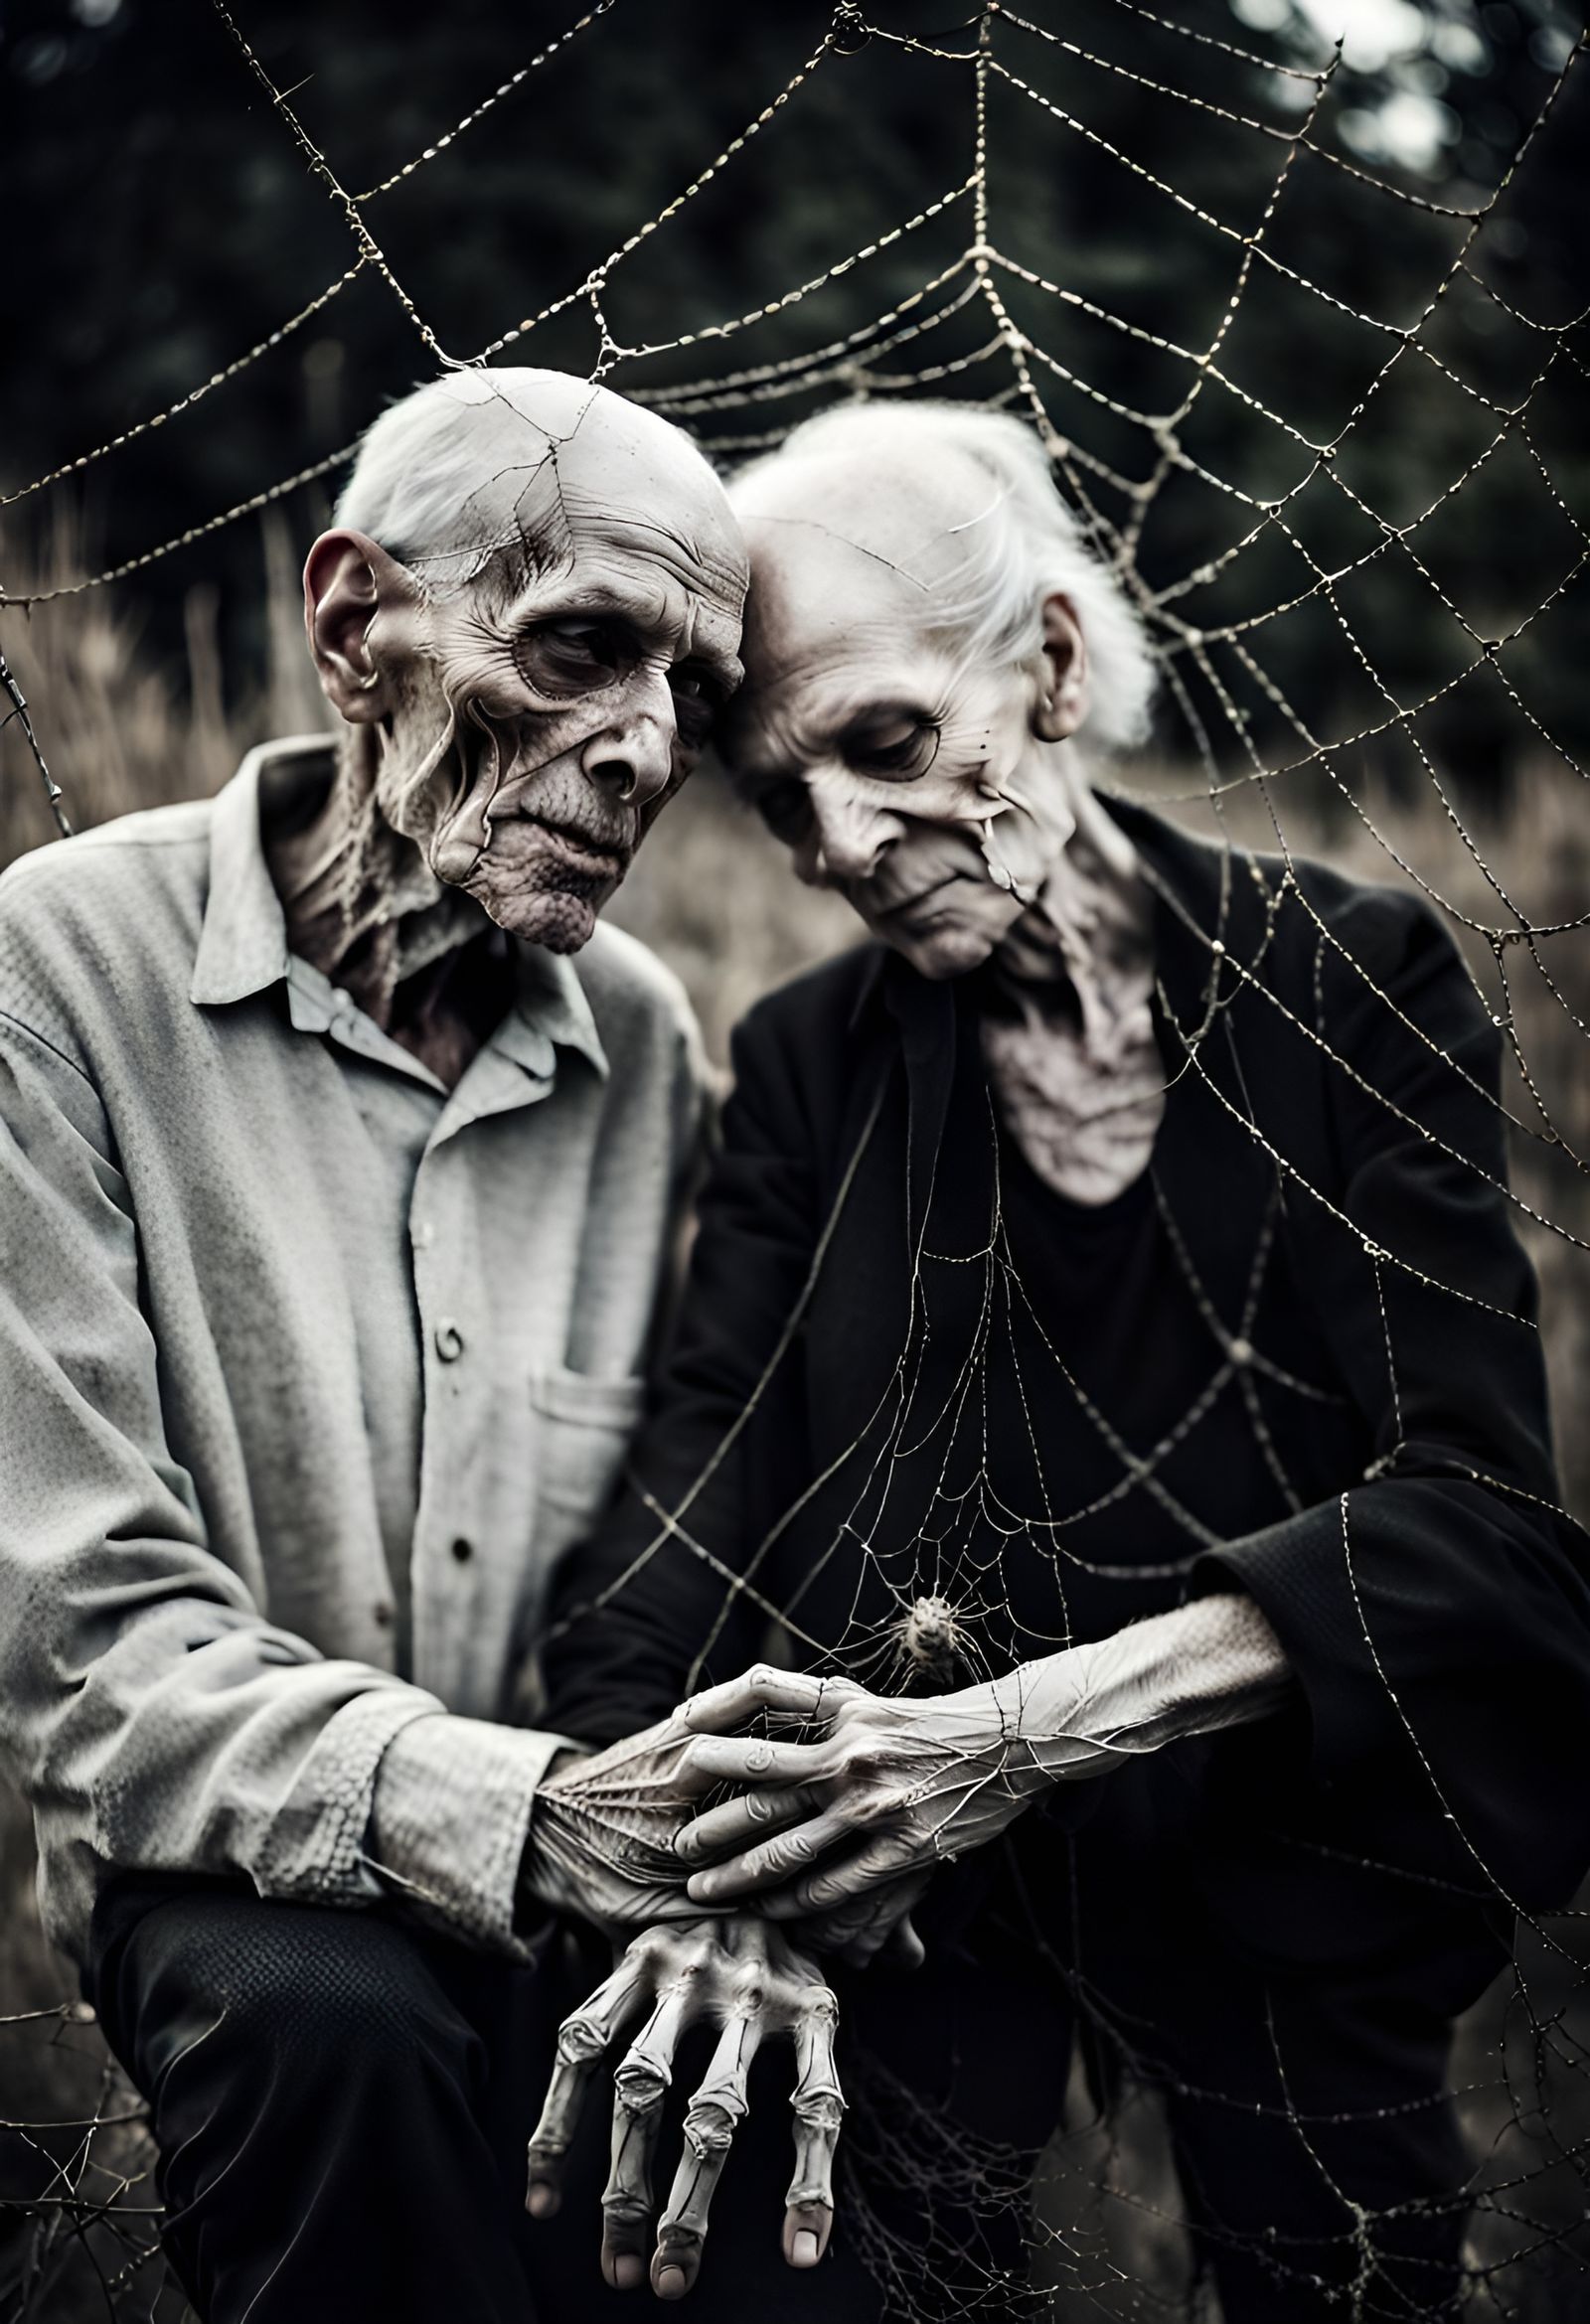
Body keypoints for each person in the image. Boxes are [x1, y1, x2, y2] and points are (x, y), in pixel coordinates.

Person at [539, 401, 1590, 2321]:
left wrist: (1008, 1738)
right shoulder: (804, 1067)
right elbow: (685, 1507)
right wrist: (692, 1881)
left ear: (1047, 663)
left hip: (1298, 1881)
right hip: (930, 1934)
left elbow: (1484, 1528)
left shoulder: (1345, 976)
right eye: (781, 797)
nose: (840, 846)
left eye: (882, 744)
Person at [0, 366, 845, 2324]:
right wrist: (527, 1815)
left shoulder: (638, 1045)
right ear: (351, 622)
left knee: (760, 2134)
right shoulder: (59, 968)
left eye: (691, 700)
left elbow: (693, 1523)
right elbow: (79, 1645)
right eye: (578, 647)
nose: (643, 750)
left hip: (588, 1855)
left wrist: (721, 1889)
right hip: (224, 1874)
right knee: (336, 2024)